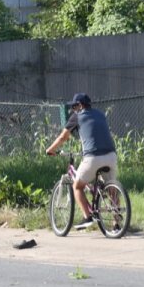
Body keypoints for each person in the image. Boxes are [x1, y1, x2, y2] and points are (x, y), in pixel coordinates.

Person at [45, 93, 118, 229]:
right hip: (111, 155)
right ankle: (117, 222)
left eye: (74, 106)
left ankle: (87, 217)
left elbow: (63, 137)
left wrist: (50, 149)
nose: (73, 109)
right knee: (112, 189)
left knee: (77, 186)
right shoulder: (100, 114)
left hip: (93, 157)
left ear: (80, 105)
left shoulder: (77, 116)